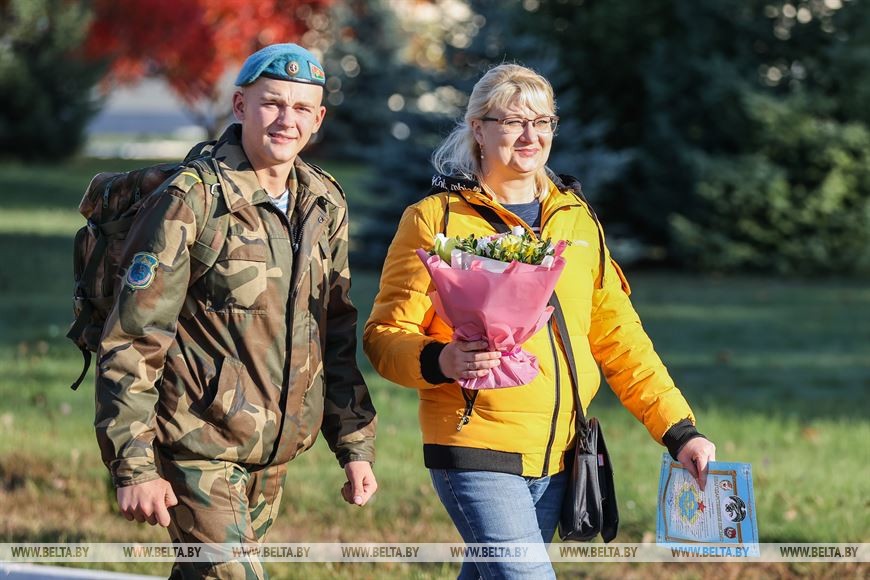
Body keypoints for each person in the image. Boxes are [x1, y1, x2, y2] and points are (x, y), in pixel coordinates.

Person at [363, 63, 715, 579]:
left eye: (542, 121)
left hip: (559, 455)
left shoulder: (577, 219)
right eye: (511, 121)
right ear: (478, 129)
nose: (530, 135)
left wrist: (680, 431)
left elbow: (619, 337)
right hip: (474, 446)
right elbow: (383, 337)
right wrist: (441, 360)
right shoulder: (434, 219)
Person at [95, 43, 377, 578]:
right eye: (272, 103)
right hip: (195, 440)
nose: (285, 120)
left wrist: (354, 444)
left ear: (318, 119)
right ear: (241, 105)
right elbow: (135, 336)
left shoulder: (324, 202)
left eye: (300, 109)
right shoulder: (194, 199)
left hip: (271, 452)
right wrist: (133, 466)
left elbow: (333, 331)